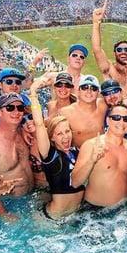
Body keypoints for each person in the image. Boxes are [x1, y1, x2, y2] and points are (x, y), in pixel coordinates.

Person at [28, 79, 85, 218]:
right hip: (53, 220)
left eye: (67, 131)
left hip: (76, 216)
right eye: (59, 134)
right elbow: (40, 124)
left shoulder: (77, 152)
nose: (65, 137)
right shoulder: (50, 155)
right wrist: (33, 94)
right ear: (52, 138)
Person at [71, 103, 127, 208]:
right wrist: (91, 160)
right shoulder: (92, 145)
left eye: (125, 119)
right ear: (108, 121)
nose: (121, 122)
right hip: (95, 213)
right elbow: (75, 182)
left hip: (123, 211)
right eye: (116, 117)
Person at [59, 75, 109, 147]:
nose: (89, 91)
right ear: (78, 91)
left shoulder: (103, 105)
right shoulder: (66, 113)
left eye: (93, 88)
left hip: (103, 153)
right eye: (84, 87)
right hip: (80, 156)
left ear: (98, 92)